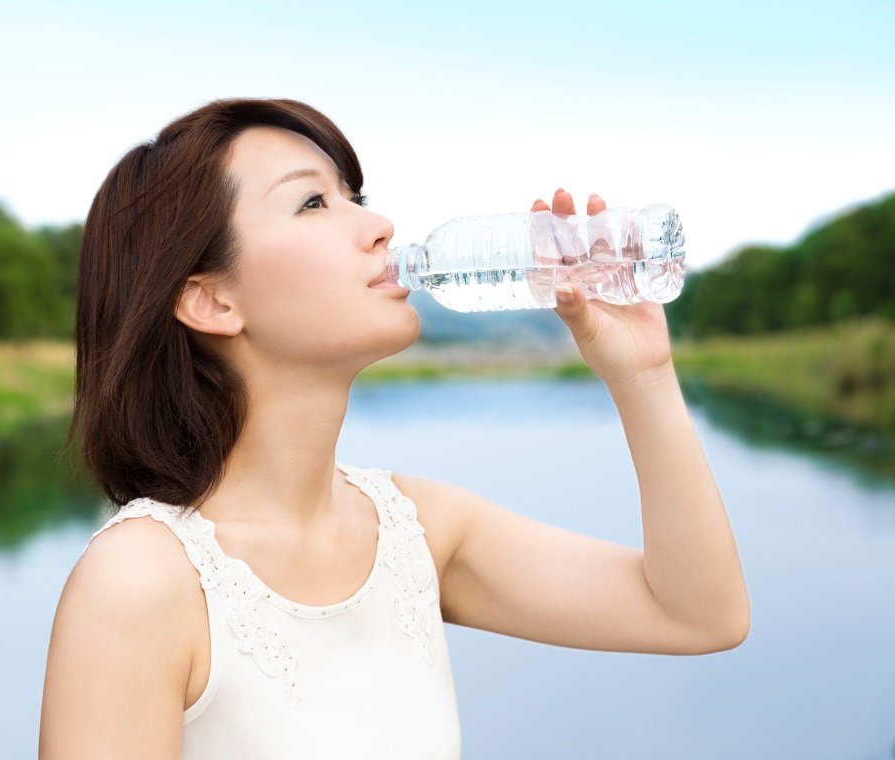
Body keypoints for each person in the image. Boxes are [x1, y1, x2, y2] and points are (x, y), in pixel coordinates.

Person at [39, 98, 749, 759]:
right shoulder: (140, 583)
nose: (378, 228)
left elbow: (697, 614)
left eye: (358, 197)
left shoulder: (419, 530)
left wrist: (644, 376)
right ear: (212, 301)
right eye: (313, 201)